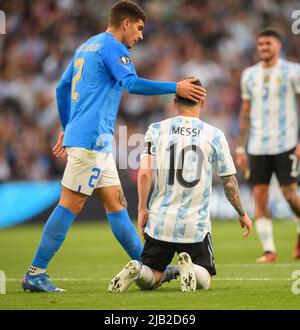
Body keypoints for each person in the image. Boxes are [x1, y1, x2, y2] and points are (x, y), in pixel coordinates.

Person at [21, 1, 206, 293]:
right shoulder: (113, 47)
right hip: (93, 139)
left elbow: (61, 88)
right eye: (140, 28)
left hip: (95, 141)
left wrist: (68, 126)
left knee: (117, 205)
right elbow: (130, 85)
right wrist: (175, 87)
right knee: (70, 204)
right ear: (126, 23)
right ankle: (36, 272)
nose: (141, 36)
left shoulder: (87, 45)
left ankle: (147, 268)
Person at [108, 79, 252, 293]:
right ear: (202, 102)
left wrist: (142, 209)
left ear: (175, 102)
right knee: (206, 277)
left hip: (161, 220)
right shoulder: (214, 135)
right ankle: (190, 269)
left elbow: (145, 173)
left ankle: (138, 270)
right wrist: (242, 213)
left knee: (153, 276)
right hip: (195, 225)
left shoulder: (155, 129)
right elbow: (228, 180)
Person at [235, 27, 300, 262]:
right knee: (259, 194)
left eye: (268, 44)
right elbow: (245, 112)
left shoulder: (293, 71)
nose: (264, 48)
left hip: (286, 143)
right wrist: (241, 146)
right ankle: (269, 250)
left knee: (289, 194)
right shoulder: (249, 75)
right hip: (257, 145)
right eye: (260, 44)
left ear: (278, 46)